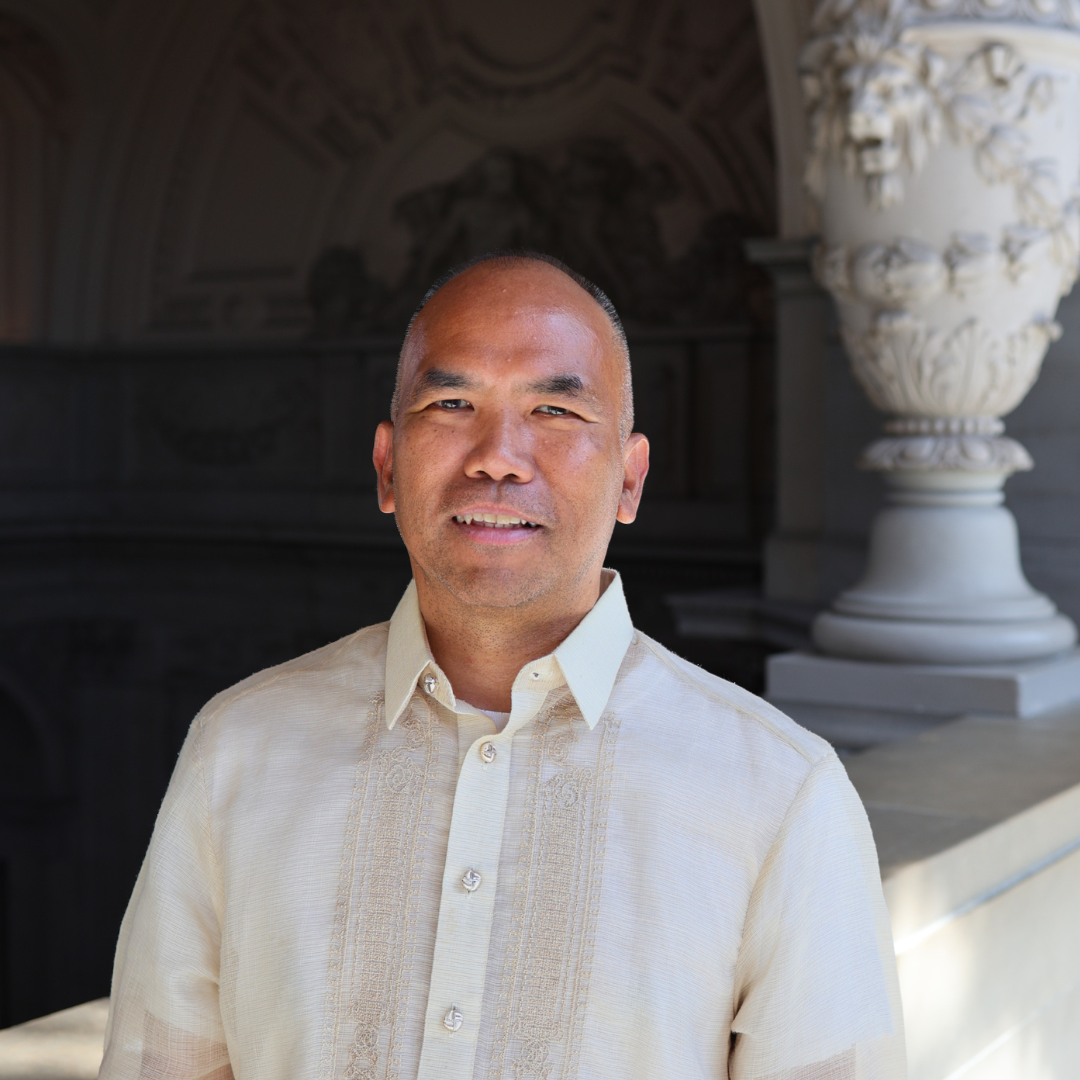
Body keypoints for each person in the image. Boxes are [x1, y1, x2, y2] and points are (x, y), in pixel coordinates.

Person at [99, 252, 905, 1080]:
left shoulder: (778, 793)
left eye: (555, 409)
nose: (499, 456)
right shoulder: (239, 750)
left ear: (630, 482)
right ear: (386, 465)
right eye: (452, 403)